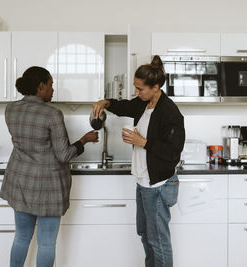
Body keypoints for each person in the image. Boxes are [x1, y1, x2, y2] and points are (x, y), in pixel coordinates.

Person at [0, 66, 98, 267]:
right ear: (41, 86)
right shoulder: (52, 114)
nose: (53, 90)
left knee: (21, 237)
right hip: (48, 187)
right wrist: (83, 141)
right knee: (46, 243)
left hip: (20, 182)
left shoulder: (10, 109)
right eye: (51, 85)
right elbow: (63, 155)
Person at [92, 55, 185, 267]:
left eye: (140, 88)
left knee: (159, 241)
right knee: (146, 236)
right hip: (144, 183)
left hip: (159, 185)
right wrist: (105, 102)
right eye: (135, 87)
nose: (136, 92)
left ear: (155, 87)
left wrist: (143, 141)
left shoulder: (169, 111)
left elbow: (173, 152)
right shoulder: (144, 104)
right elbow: (124, 106)